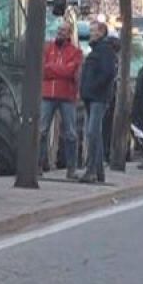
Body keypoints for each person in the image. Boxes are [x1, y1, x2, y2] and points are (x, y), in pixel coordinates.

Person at [40, 21, 82, 177]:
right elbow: (43, 69)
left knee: (70, 133)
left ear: (69, 33)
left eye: (64, 30)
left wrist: (52, 69)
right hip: (48, 94)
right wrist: (59, 71)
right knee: (42, 131)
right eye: (59, 30)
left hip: (66, 96)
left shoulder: (75, 52)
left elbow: (71, 72)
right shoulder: (48, 48)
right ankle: (39, 164)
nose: (60, 33)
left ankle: (71, 168)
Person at [78, 21, 118, 184]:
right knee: (95, 134)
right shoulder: (96, 50)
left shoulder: (105, 50)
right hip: (91, 96)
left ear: (102, 32)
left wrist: (93, 87)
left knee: (92, 133)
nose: (91, 33)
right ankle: (98, 171)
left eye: (93, 30)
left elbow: (107, 73)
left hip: (98, 97)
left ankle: (92, 170)